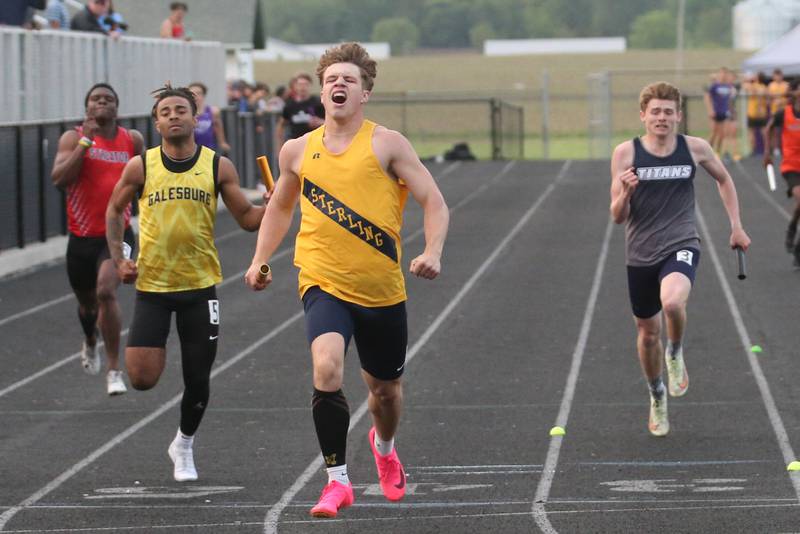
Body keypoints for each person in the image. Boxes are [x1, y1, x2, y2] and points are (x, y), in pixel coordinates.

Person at [244, 42, 449, 518]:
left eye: (349, 80)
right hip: (322, 279)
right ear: (321, 91)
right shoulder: (297, 150)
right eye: (331, 79)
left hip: (380, 289)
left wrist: (432, 251)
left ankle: (384, 446)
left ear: (365, 94)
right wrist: (260, 259)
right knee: (326, 368)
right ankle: (337, 480)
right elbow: (279, 206)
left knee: (385, 393)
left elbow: (434, 201)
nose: (338, 85)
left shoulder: (387, 144)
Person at [106, 84, 268, 482]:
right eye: (166, 111)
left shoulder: (217, 166)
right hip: (154, 287)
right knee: (142, 379)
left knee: (197, 377)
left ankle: (184, 444)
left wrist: (277, 202)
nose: (174, 115)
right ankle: (179, 436)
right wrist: (120, 258)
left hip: (199, 287)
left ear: (197, 120)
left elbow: (248, 219)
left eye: (182, 109)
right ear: (157, 122)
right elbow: (113, 210)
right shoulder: (141, 166)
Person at [610, 81, 750, 437]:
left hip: (681, 242)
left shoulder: (696, 149)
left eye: (668, 112)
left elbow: (725, 180)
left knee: (672, 302)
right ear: (643, 115)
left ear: (679, 116)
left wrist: (736, 226)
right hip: (640, 253)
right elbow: (617, 216)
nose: (662, 118)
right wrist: (625, 192)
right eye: (655, 111)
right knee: (646, 333)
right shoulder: (626, 154)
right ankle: (657, 394)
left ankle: (675, 353)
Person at [51, 83, 144, 396]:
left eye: (108, 99)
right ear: (87, 107)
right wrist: (86, 142)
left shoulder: (131, 139)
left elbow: (146, 181)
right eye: (95, 99)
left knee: (106, 290)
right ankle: (91, 340)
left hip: (116, 234)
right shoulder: (73, 137)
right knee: (88, 304)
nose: (102, 102)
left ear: (117, 107)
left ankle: (114, 369)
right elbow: (60, 180)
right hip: (81, 237)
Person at [765, 79, 800, 262]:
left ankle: (794, 234)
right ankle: (793, 232)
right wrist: (767, 152)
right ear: (794, 93)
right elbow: (769, 128)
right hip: (792, 167)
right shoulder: (783, 113)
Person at [276, 73, 325, 144]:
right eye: (300, 84)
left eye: (306, 84)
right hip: (296, 143)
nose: (303, 87)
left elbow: (331, 122)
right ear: (295, 86)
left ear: (310, 86)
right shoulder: (289, 105)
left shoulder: (318, 102)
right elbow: (280, 125)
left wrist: (320, 122)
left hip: (315, 143)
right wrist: (280, 145)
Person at [189, 82, 231, 155]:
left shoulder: (212, 111)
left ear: (204, 95)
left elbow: (217, 126)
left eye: (199, 93)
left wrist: (222, 142)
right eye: (192, 94)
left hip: (209, 149)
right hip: (191, 150)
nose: (196, 96)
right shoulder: (186, 113)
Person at [704, 67, 736, 157]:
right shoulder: (715, 86)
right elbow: (707, 97)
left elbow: (729, 100)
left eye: (725, 74)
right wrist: (710, 110)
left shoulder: (728, 86)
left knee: (722, 134)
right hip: (715, 112)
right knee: (714, 133)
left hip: (724, 112)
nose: (723, 76)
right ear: (718, 75)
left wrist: (731, 110)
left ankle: (717, 152)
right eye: (721, 74)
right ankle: (706, 151)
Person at [743, 72, 769, 156]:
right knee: (761, 133)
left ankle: (757, 150)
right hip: (757, 113)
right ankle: (764, 150)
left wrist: (747, 80)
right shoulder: (764, 87)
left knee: (756, 133)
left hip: (755, 113)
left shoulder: (755, 86)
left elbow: (745, 85)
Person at [768, 69, 790, 156]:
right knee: (775, 131)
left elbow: (789, 98)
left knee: (786, 131)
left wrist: (782, 102)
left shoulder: (786, 85)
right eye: (776, 75)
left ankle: (786, 148)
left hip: (785, 112)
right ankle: (776, 148)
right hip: (775, 112)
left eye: (779, 75)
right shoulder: (771, 86)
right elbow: (768, 98)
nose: (777, 77)